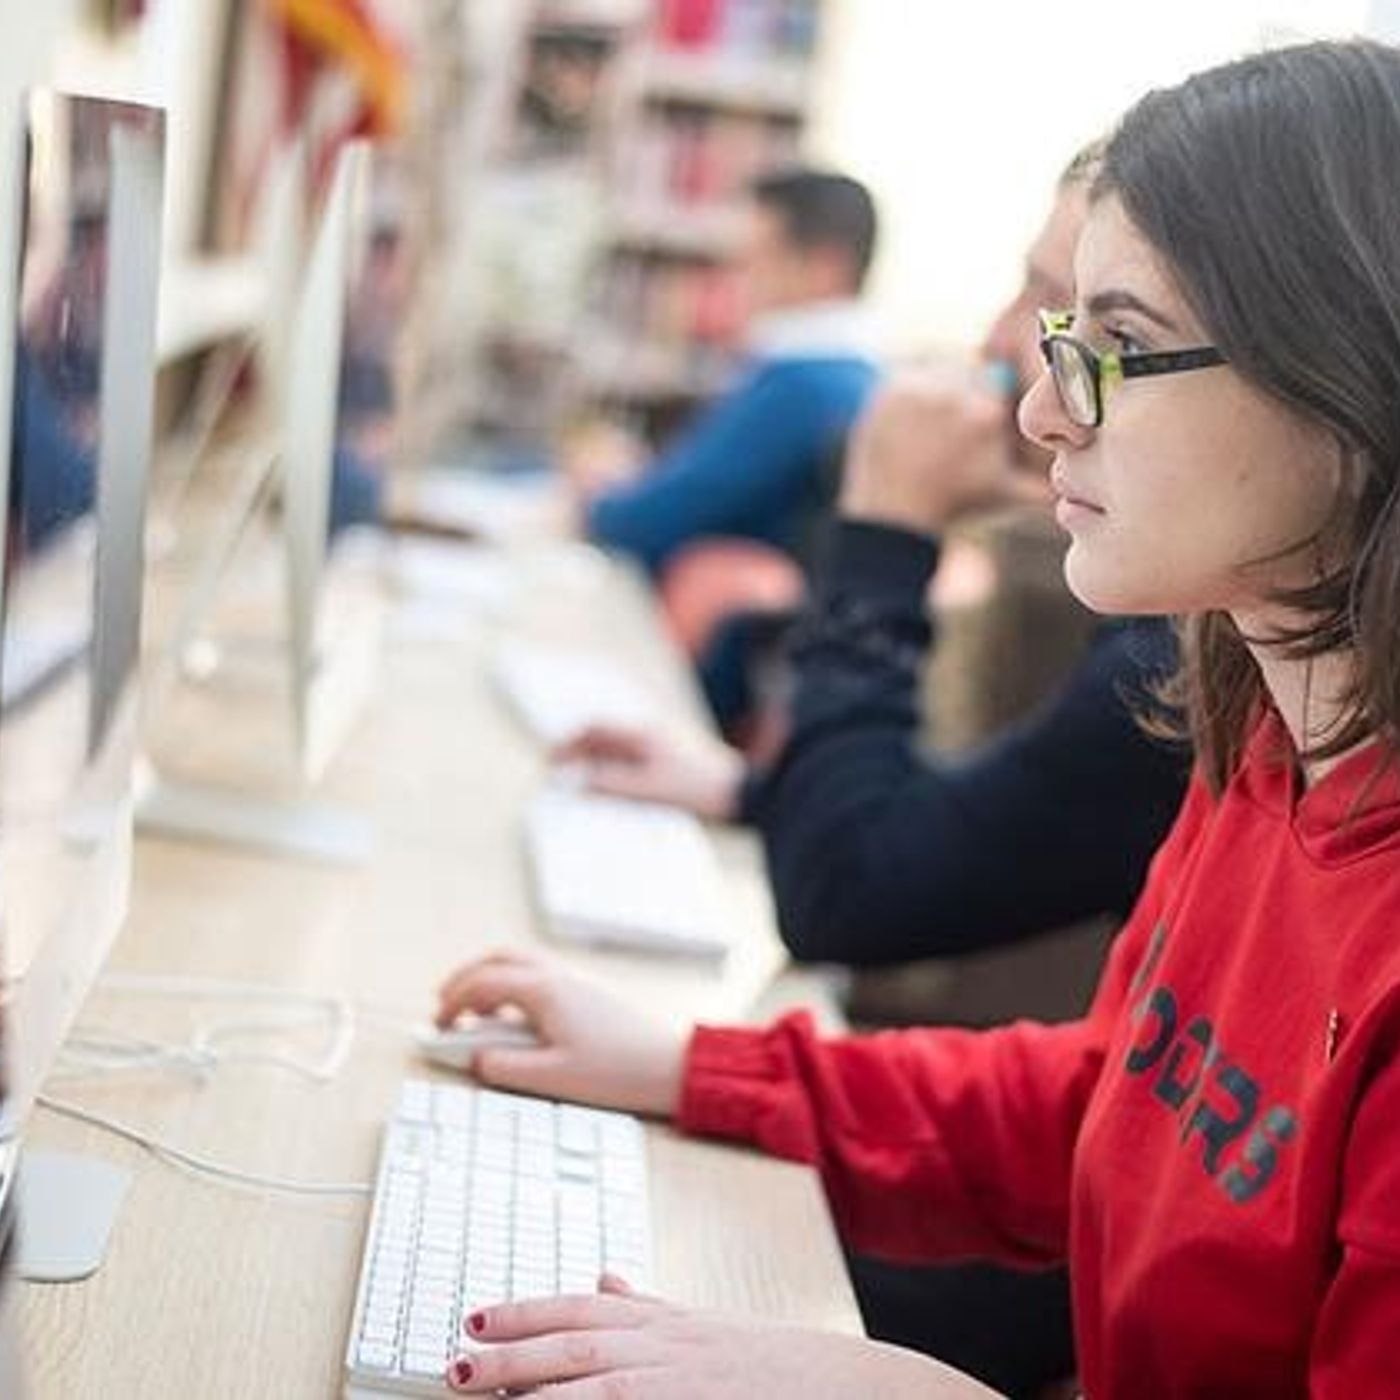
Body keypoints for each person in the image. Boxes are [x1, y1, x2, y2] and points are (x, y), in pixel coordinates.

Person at [436, 39, 1400, 1397]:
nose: (1037, 408)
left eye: (1113, 346)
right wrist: (692, 1067)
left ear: (1353, 380)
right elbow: (1105, 1103)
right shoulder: (1261, 737)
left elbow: (869, 886)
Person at [561, 150, 1188, 1398]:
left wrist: (887, 521)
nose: (1013, 365)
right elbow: (1116, 1093)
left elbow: (852, 884)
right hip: (1055, 1219)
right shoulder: (1241, 709)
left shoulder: (1182, 664)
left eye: (1086, 325)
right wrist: (747, 797)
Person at [576, 166, 882, 576]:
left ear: (825, 267)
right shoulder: (847, 376)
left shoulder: (805, 385)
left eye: (754, 261)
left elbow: (641, 523)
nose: (735, 283)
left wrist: (598, 490)